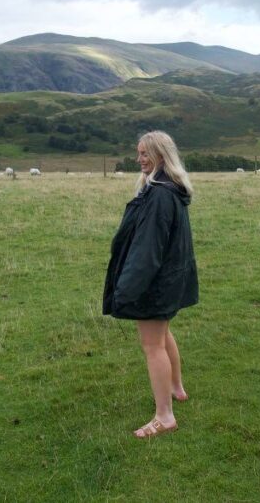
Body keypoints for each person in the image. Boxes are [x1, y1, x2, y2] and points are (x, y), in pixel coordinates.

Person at [103, 130, 198, 439]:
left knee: (152, 344)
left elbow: (147, 250)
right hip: (168, 280)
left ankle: (164, 416)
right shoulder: (170, 188)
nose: (139, 158)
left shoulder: (158, 195)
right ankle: (176, 388)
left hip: (155, 283)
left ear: (160, 155)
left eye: (145, 153)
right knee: (163, 334)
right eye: (138, 152)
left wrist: (127, 290)